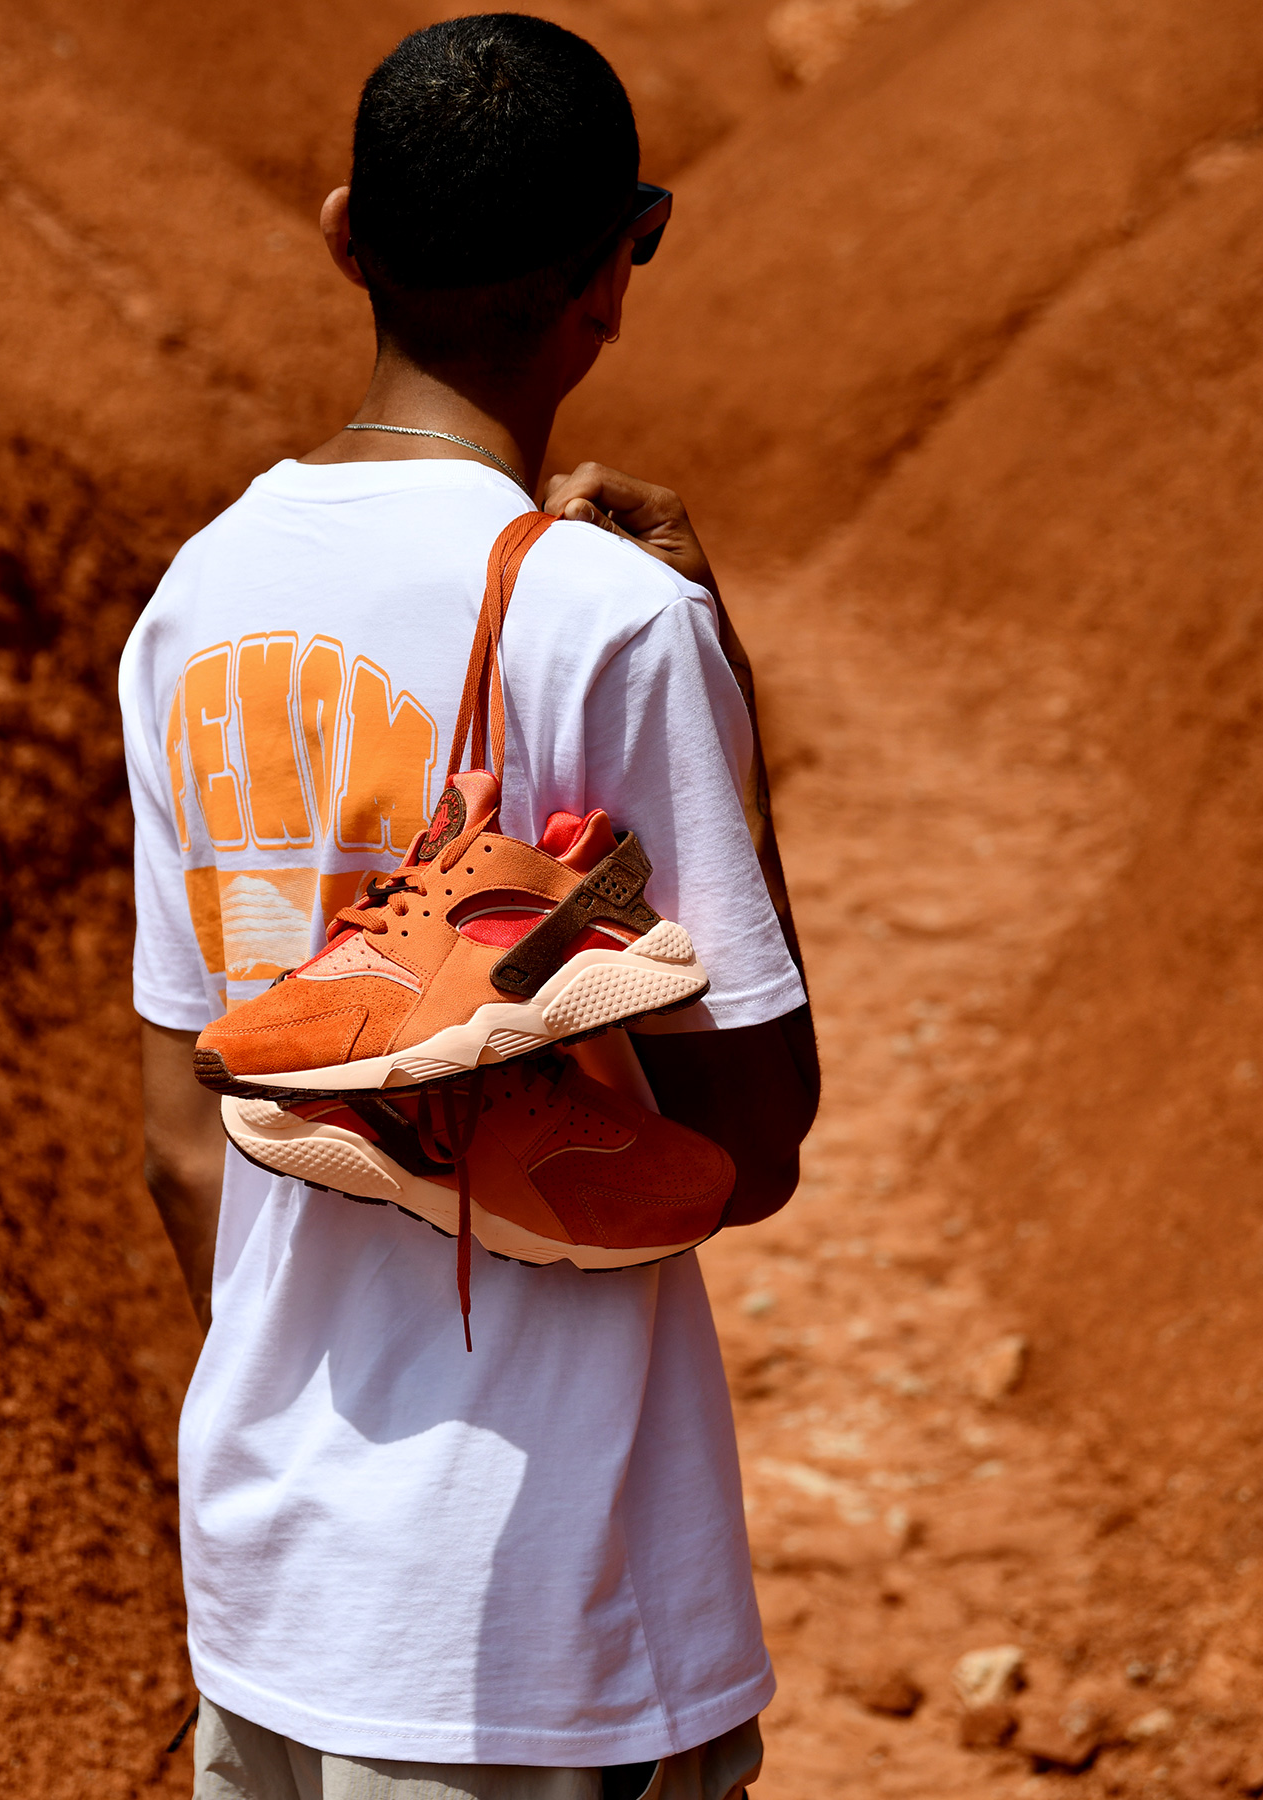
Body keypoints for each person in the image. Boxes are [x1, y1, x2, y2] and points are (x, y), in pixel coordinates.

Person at [120, 16, 819, 1799]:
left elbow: (184, 1127)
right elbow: (754, 1136)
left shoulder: (191, 605)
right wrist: (721, 666)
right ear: (611, 279)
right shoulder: (619, 621)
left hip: (270, 1555)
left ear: (345, 234)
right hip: (535, 1592)